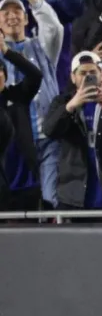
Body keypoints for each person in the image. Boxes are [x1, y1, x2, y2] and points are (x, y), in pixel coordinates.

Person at [43, 50, 102, 210]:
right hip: (73, 193)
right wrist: (71, 106)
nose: (87, 77)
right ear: (73, 77)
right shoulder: (62, 101)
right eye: (82, 73)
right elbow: (50, 131)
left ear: (101, 74)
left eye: (92, 72)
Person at [0, 36, 42, 210]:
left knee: (28, 226)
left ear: (5, 74)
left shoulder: (18, 95)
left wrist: (6, 51)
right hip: (2, 182)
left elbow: (36, 75)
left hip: (26, 180)